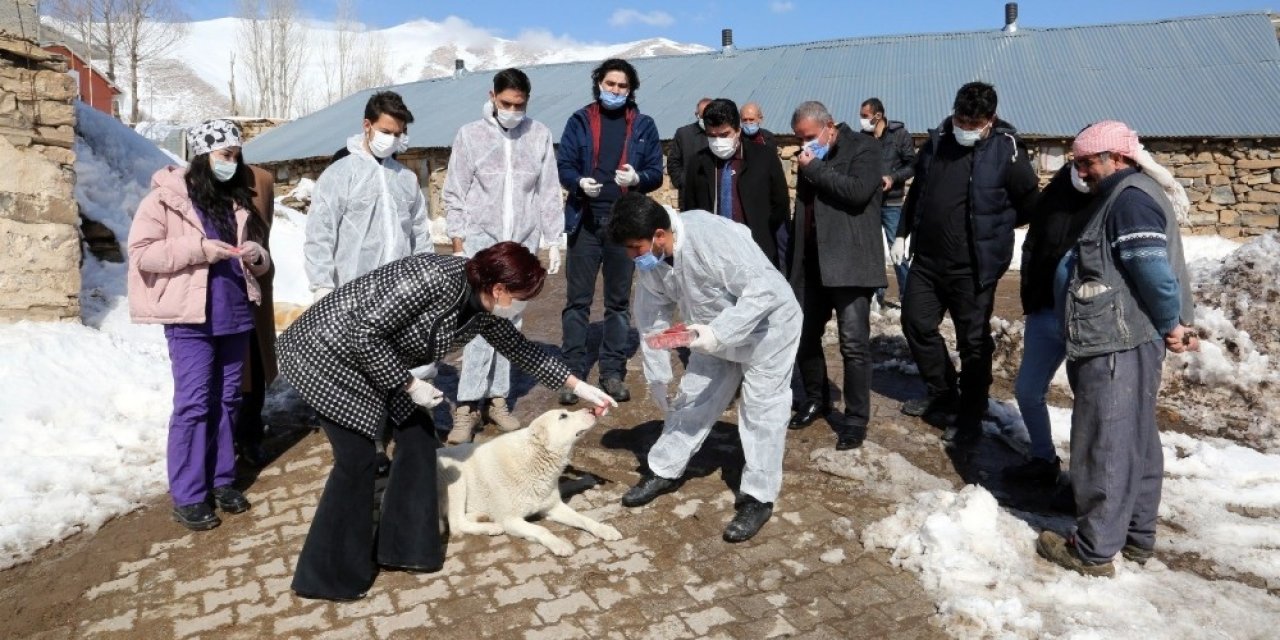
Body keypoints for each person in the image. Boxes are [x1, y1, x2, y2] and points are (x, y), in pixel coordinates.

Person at [278, 242, 617, 601]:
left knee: (419, 438)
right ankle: (326, 576)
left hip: (375, 361)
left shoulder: (484, 308)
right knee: (357, 459)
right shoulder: (432, 277)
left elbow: (520, 349)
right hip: (324, 355)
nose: (523, 305)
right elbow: (363, 332)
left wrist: (579, 386)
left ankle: (404, 546)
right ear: (499, 288)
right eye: (521, 296)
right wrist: (409, 384)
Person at [1036, 120, 1199, 577]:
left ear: (1118, 158)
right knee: (1135, 439)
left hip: (1116, 343)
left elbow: (1151, 270)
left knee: (1104, 444)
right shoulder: (1128, 193)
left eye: (1087, 162)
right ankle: (1135, 536)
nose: (1082, 172)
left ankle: (1093, 549)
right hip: (1125, 338)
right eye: (1078, 163)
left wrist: (1172, 322)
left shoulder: (1128, 200)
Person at [610, 193, 802, 543]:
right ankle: (663, 469)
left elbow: (766, 290)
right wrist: (657, 373)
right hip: (709, 331)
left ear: (659, 234)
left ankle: (758, 497)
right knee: (693, 398)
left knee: (761, 411)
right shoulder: (652, 260)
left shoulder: (711, 237)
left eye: (635, 247)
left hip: (767, 330)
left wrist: (719, 333)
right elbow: (652, 317)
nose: (631, 256)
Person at [127, 119, 271, 531]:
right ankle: (189, 494)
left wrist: (257, 256)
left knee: (229, 401)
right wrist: (199, 249)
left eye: (236, 155)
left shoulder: (235, 201)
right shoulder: (164, 200)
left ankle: (222, 479)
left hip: (235, 313)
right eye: (226, 155)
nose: (233, 163)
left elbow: (259, 262)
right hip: (190, 318)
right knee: (193, 404)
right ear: (203, 156)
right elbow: (143, 254)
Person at [893, 81, 1039, 447]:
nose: (965, 128)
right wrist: (902, 231)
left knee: (972, 342)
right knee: (916, 323)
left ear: (990, 120)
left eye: (973, 124)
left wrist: (997, 227)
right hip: (927, 260)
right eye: (961, 119)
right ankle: (943, 393)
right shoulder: (939, 140)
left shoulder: (1007, 151)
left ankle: (972, 412)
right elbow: (920, 190)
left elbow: (1030, 203)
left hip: (974, 266)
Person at [443, 68, 564, 444]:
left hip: (522, 243)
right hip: (482, 243)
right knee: (480, 322)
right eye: (506, 103)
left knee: (512, 323)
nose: (512, 110)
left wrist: (553, 238)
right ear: (492, 96)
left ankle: (498, 399)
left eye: (520, 105)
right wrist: (459, 242)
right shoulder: (470, 135)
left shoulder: (538, 135)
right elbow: (454, 191)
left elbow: (547, 190)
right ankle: (467, 405)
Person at [556, 58, 664, 405]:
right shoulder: (580, 121)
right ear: (598, 84)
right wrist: (576, 183)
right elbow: (565, 164)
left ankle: (612, 373)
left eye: (622, 85)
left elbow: (655, 174)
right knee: (577, 303)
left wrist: (637, 180)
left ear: (630, 90)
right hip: (585, 223)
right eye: (610, 84)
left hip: (623, 227)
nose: (615, 90)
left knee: (618, 304)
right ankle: (572, 374)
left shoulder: (644, 125)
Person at [783, 101, 884, 450]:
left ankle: (855, 419)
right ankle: (816, 397)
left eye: (809, 136)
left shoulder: (865, 148)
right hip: (812, 262)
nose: (804, 144)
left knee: (853, 344)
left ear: (829, 127)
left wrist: (814, 170)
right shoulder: (812, 156)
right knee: (803, 335)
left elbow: (857, 193)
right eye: (799, 138)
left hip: (851, 263)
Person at [304, 90, 431, 301]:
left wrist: (426, 278)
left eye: (397, 134)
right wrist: (322, 287)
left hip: (400, 296)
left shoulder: (406, 178)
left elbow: (419, 235)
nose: (392, 140)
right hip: (350, 295)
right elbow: (320, 234)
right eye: (385, 132)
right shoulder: (339, 174)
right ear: (367, 126)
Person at [679, 97, 789, 266]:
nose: (718, 141)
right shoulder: (698, 163)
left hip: (757, 252)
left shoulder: (764, 157)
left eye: (724, 134)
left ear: (738, 130)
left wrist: (761, 229)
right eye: (711, 136)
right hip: (714, 255)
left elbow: (780, 203)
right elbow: (690, 208)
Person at [234, 163, 278, 468]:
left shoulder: (260, 180)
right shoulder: (191, 182)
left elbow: (265, 230)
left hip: (255, 279)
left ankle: (250, 435)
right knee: (230, 371)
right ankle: (226, 438)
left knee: (255, 361)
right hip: (216, 287)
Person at [858, 97, 916, 306]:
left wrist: (893, 178)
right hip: (869, 203)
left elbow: (912, 166)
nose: (862, 120)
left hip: (892, 203)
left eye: (865, 116)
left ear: (878, 115)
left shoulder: (899, 135)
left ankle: (907, 296)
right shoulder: (861, 138)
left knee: (897, 250)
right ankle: (876, 295)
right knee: (871, 251)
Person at [667, 97, 711, 202]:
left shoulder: (721, 135)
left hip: (713, 194)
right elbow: (673, 162)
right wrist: (683, 182)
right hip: (689, 195)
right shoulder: (684, 134)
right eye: (702, 115)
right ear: (697, 115)